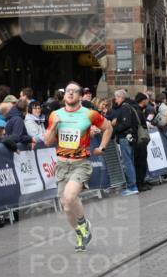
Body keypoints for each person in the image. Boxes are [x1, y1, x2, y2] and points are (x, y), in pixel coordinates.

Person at [44, 82, 113, 252]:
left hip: (80, 164)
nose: (71, 93)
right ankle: (80, 233)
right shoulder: (55, 114)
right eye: (68, 91)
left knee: (70, 196)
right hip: (61, 164)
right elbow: (47, 141)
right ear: (64, 94)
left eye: (75, 91)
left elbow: (108, 127)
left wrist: (102, 147)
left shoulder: (89, 114)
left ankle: (83, 224)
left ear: (81, 96)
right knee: (66, 206)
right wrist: (54, 126)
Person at [110, 90, 139, 195]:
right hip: (130, 137)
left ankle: (132, 186)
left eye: (116, 97)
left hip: (125, 137)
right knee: (130, 161)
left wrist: (114, 128)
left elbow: (126, 124)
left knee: (128, 162)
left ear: (121, 97)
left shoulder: (125, 107)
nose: (115, 99)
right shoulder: (130, 106)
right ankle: (133, 185)